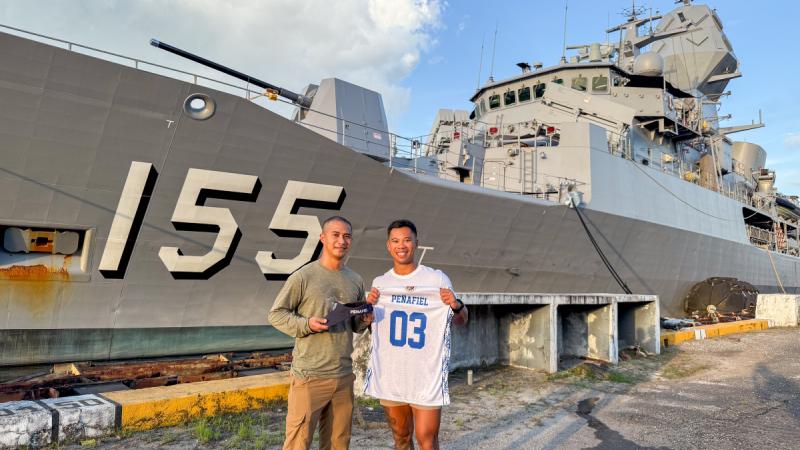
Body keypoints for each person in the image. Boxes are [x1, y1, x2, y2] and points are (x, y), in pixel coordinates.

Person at [268, 216, 372, 450]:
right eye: (335, 235)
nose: (341, 241)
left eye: (347, 236)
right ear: (323, 238)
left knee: (338, 443)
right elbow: (276, 314)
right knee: (298, 443)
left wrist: (365, 320)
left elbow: (354, 325)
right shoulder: (303, 277)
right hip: (309, 377)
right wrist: (307, 324)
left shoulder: (355, 280)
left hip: (344, 376)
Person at [365, 219, 468, 450]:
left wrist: (456, 305)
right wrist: (367, 312)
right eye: (395, 241)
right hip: (392, 375)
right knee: (401, 437)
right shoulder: (380, 284)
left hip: (426, 375)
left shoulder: (437, 279)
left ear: (416, 243)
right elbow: (368, 323)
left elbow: (462, 320)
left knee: (426, 439)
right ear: (388, 246)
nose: (401, 245)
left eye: (407, 240)